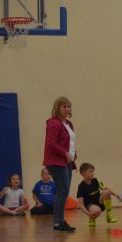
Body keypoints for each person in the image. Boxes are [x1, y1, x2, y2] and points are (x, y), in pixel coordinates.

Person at [44, 96, 77, 233]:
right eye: (64, 107)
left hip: (67, 161)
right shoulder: (54, 123)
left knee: (64, 191)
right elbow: (51, 144)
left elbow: (70, 142)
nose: (67, 109)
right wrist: (64, 153)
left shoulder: (69, 124)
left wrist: (73, 154)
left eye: (68, 106)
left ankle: (61, 220)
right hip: (56, 161)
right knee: (62, 190)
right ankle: (58, 222)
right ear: (57, 108)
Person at [76, 162, 119, 227]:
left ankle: (109, 215)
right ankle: (91, 218)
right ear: (83, 173)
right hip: (90, 206)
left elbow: (106, 188)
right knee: (96, 211)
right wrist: (88, 213)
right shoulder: (81, 186)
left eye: (93, 171)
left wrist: (116, 195)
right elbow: (81, 204)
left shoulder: (96, 180)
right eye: (90, 171)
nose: (93, 173)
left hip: (100, 202)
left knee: (106, 192)